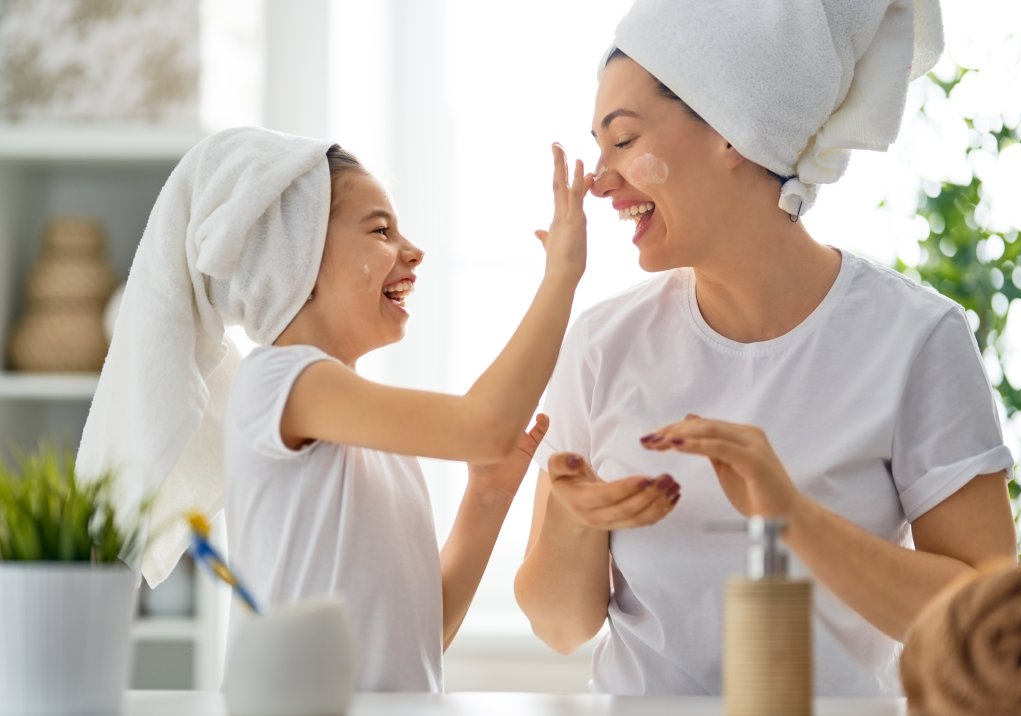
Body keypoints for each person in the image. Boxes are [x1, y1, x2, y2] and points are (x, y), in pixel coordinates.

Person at [514, 0, 1018, 698]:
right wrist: (575, 518)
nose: (599, 181)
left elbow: (991, 625)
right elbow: (560, 626)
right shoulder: (602, 344)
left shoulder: (917, 340)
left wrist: (794, 517)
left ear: (731, 130)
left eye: (623, 142)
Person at [75, 126, 639, 692]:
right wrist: (562, 274)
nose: (413, 251)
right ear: (293, 255)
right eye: (380, 230)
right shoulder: (278, 383)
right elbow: (483, 424)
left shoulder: (360, 428)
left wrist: (487, 493)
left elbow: (422, 634)